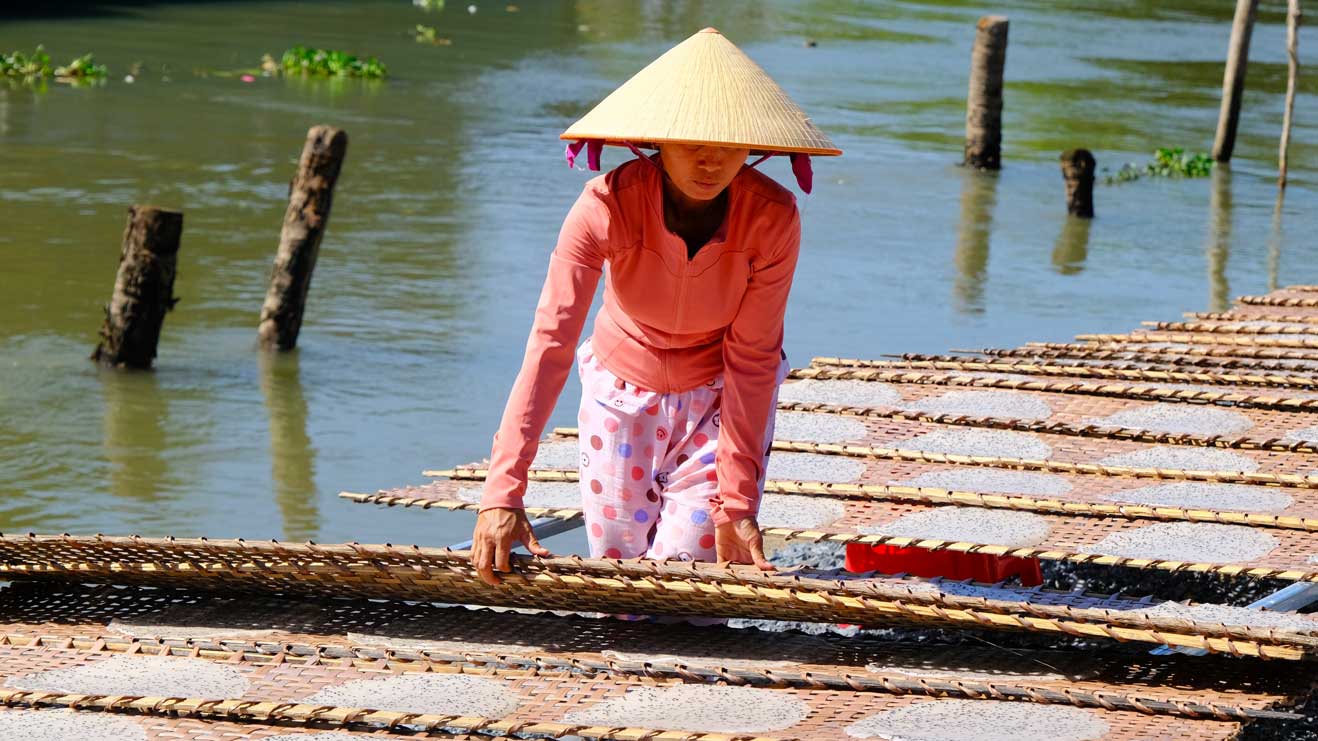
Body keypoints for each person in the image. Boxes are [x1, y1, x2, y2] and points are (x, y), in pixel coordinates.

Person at [469, 28, 840, 585]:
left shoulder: (774, 217)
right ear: (657, 141)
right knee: (619, 579)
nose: (711, 161)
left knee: (691, 578)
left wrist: (738, 503)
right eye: (691, 142)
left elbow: (754, 357)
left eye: (730, 145)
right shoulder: (604, 205)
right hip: (619, 397)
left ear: (753, 148)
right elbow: (551, 343)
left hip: (716, 400)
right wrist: (502, 490)